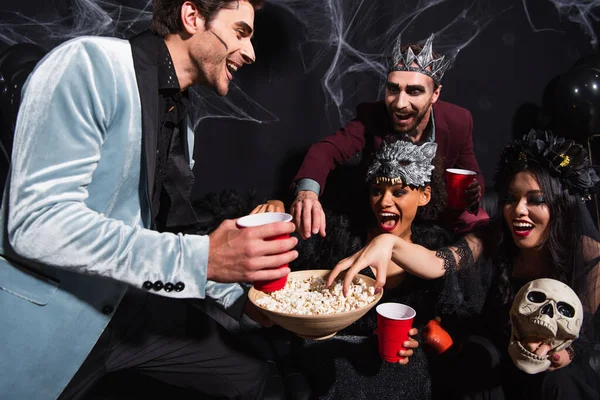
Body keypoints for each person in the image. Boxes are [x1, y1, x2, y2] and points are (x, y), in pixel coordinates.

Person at [0, 1, 300, 399]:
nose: (251, 52)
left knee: (256, 379)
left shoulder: (183, 119)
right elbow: (37, 223)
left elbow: (168, 232)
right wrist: (201, 258)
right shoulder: (89, 65)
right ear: (192, 17)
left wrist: (245, 304)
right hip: (49, 324)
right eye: (241, 33)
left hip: (129, 309)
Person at [329, 129, 600, 399]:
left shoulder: (589, 254)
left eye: (536, 200)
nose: (518, 210)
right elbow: (435, 263)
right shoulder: (491, 237)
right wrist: (389, 244)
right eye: (510, 198)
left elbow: (584, 332)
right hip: (494, 366)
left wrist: (564, 353)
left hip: (555, 371)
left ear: (561, 204)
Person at [283, 138, 485, 399]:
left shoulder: (434, 244)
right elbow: (295, 284)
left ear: (424, 195)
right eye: (377, 191)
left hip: (396, 362)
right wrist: (279, 207)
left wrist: (418, 336)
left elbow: (449, 315)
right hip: (335, 352)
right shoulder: (341, 234)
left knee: (413, 369)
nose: (384, 202)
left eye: (398, 192)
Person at [283, 33, 486, 239]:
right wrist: (306, 193)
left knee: (480, 226)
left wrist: (472, 191)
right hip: (383, 221)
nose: (399, 103)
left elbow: (472, 173)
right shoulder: (372, 116)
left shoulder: (459, 120)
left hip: (435, 222)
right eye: (393, 89)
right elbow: (326, 150)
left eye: (414, 91)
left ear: (435, 94)